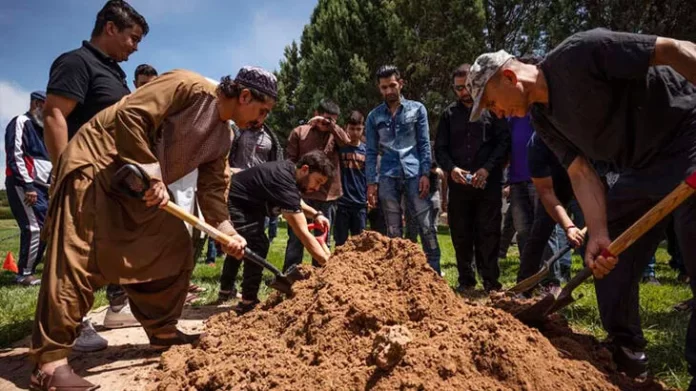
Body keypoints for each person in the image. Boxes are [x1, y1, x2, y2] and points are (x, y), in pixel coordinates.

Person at [467, 28, 696, 381]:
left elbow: (673, 47)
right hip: (640, 167)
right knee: (608, 260)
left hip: (687, 135)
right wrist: (599, 233)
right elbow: (580, 172)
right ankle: (628, 353)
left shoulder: (580, 53)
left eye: (491, 103)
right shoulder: (543, 120)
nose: (496, 114)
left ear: (509, 77)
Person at [29, 66, 276, 391]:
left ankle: (162, 331)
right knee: (76, 257)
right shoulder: (188, 86)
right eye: (262, 111)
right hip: (97, 167)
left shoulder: (224, 136)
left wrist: (226, 229)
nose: (262, 121)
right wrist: (154, 174)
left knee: (173, 244)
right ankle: (50, 364)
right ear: (244, 96)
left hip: (138, 187)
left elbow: (213, 187)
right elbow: (131, 116)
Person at [43, 0, 149, 341]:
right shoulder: (76, 62)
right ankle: (73, 325)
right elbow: (55, 116)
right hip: (82, 173)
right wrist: (65, 173)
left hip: (112, 178)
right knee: (77, 253)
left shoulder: (115, 74)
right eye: (132, 38)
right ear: (110, 28)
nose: (134, 48)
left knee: (111, 246)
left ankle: (117, 307)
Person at [225, 151, 333, 314]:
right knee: (256, 244)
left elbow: (295, 200)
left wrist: (316, 214)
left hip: (249, 203)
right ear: (305, 169)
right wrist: (329, 264)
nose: (316, 188)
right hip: (237, 201)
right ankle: (248, 301)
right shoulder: (283, 179)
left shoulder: (290, 173)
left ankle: (226, 290)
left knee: (243, 243)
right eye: (317, 181)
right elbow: (303, 233)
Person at [434, 63, 510, 292]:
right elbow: (440, 149)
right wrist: (452, 169)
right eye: (458, 89)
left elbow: (504, 143)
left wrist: (486, 169)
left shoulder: (493, 108)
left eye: (466, 87)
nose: (463, 93)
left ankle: (490, 282)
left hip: (488, 185)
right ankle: (466, 280)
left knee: (489, 233)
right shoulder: (448, 115)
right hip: (459, 188)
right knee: (461, 233)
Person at [366, 65, 441, 273]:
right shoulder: (374, 117)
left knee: (426, 225)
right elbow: (371, 152)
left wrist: (425, 173)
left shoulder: (418, 109)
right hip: (388, 176)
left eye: (392, 85)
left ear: (401, 83)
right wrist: (371, 183)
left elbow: (424, 144)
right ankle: (397, 273)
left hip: (415, 174)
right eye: (383, 87)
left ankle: (434, 271)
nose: (388, 91)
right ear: (379, 89)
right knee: (393, 228)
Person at [218, 122, 283, 303]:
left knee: (247, 242)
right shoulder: (237, 131)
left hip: (258, 196)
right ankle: (234, 290)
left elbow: (274, 162)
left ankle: (235, 291)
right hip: (236, 190)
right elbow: (223, 157)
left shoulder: (270, 137)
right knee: (239, 240)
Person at [283, 99, 350, 271]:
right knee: (296, 239)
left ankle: (321, 277)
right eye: (325, 118)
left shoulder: (335, 136)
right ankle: (291, 275)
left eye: (332, 120)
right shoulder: (299, 132)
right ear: (316, 113)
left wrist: (332, 127)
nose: (327, 123)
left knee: (323, 240)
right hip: (302, 195)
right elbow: (289, 162)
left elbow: (347, 142)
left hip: (328, 195)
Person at [4, 91, 51, 286]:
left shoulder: (45, 130)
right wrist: (28, 185)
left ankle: (31, 268)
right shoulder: (21, 122)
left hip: (44, 187)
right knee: (33, 228)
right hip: (24, 185)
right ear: (37, 104)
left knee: (46, 228)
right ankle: (24, 273)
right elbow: (15, 155)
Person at [333, 111, 368, 246]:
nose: (355, 132)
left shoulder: (366, 151)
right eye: (351, 129)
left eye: (358, 129)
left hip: (360, 203)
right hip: (342, 203)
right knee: (340, 242)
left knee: (359, 244)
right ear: (346, 127)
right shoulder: (339, 148)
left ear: (363, 129)